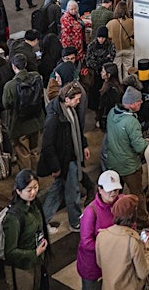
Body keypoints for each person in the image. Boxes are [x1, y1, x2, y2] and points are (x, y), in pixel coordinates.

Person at [103, 86, 149, 228]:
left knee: (115, 194)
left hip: (113, 161)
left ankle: (115, 217)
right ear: (132, 104)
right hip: (129, 165)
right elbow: (139, 146)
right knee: (137, 193)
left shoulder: (111, 113)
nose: (141, 103)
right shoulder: (131, 122)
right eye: (139, 101)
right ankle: (142, 219)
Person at [39, 81, 89, 232]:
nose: (79, 101)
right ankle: (75, 222)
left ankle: (42, 221)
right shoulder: (54, 119)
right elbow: (47, 146)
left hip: (70, 157)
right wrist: (55, 167)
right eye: (76, 99)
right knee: (72, 192)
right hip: (65, 161)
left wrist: (84, 144)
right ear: (66, 99)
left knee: (57, 191)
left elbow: (76, 129)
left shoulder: (68, 110)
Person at [3, 169, 49, 290]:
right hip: (22, 268)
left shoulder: (35, 205)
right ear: (18, 191)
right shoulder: (13, 218)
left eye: (35, 187)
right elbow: (10, 252)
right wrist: (34, 253)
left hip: (37, 262)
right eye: (29, 190)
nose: (33, 192)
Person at [94, 194, 149, 289]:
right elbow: (143, 272)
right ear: (134, 216)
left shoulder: (101, 235)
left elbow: (99, 263)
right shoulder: (132, 241)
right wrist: (146, 248)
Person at [78, 170, 122, 290]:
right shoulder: (91, 211)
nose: (113, 193)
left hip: (112, 260)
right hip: (92, 263)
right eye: (109, 190)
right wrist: (108, 249)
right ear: (100, 189)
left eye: (116, 190)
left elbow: (129, 221)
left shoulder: (120, 202)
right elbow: (86, 241)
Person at [3, 53, 46, 172]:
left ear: (13, 66)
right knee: (34, 149)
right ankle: (35, 173)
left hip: (19, 125)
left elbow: (6, 104)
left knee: (23, 153)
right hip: (36, 120)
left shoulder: (10, 86)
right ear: (25, 64)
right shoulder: (36, 76)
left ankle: (28, 178)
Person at [84, 26, 116, 112]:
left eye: (103, 38)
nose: (101, 40)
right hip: (94, 73)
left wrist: (99, 62)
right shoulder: (92, 45)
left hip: (105, 72)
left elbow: (111, 57)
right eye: (99, 37)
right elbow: (88, 60)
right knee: (94, 90)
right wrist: (102, 61)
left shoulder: (110, 45)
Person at [106, 2, 135, 79]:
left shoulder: (110, 23)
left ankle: (119, 87)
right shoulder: (131, 22)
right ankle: (127, 85)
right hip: (127, 48)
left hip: (116, 50)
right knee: (128, 69)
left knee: (117, 70)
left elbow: (108, 36)